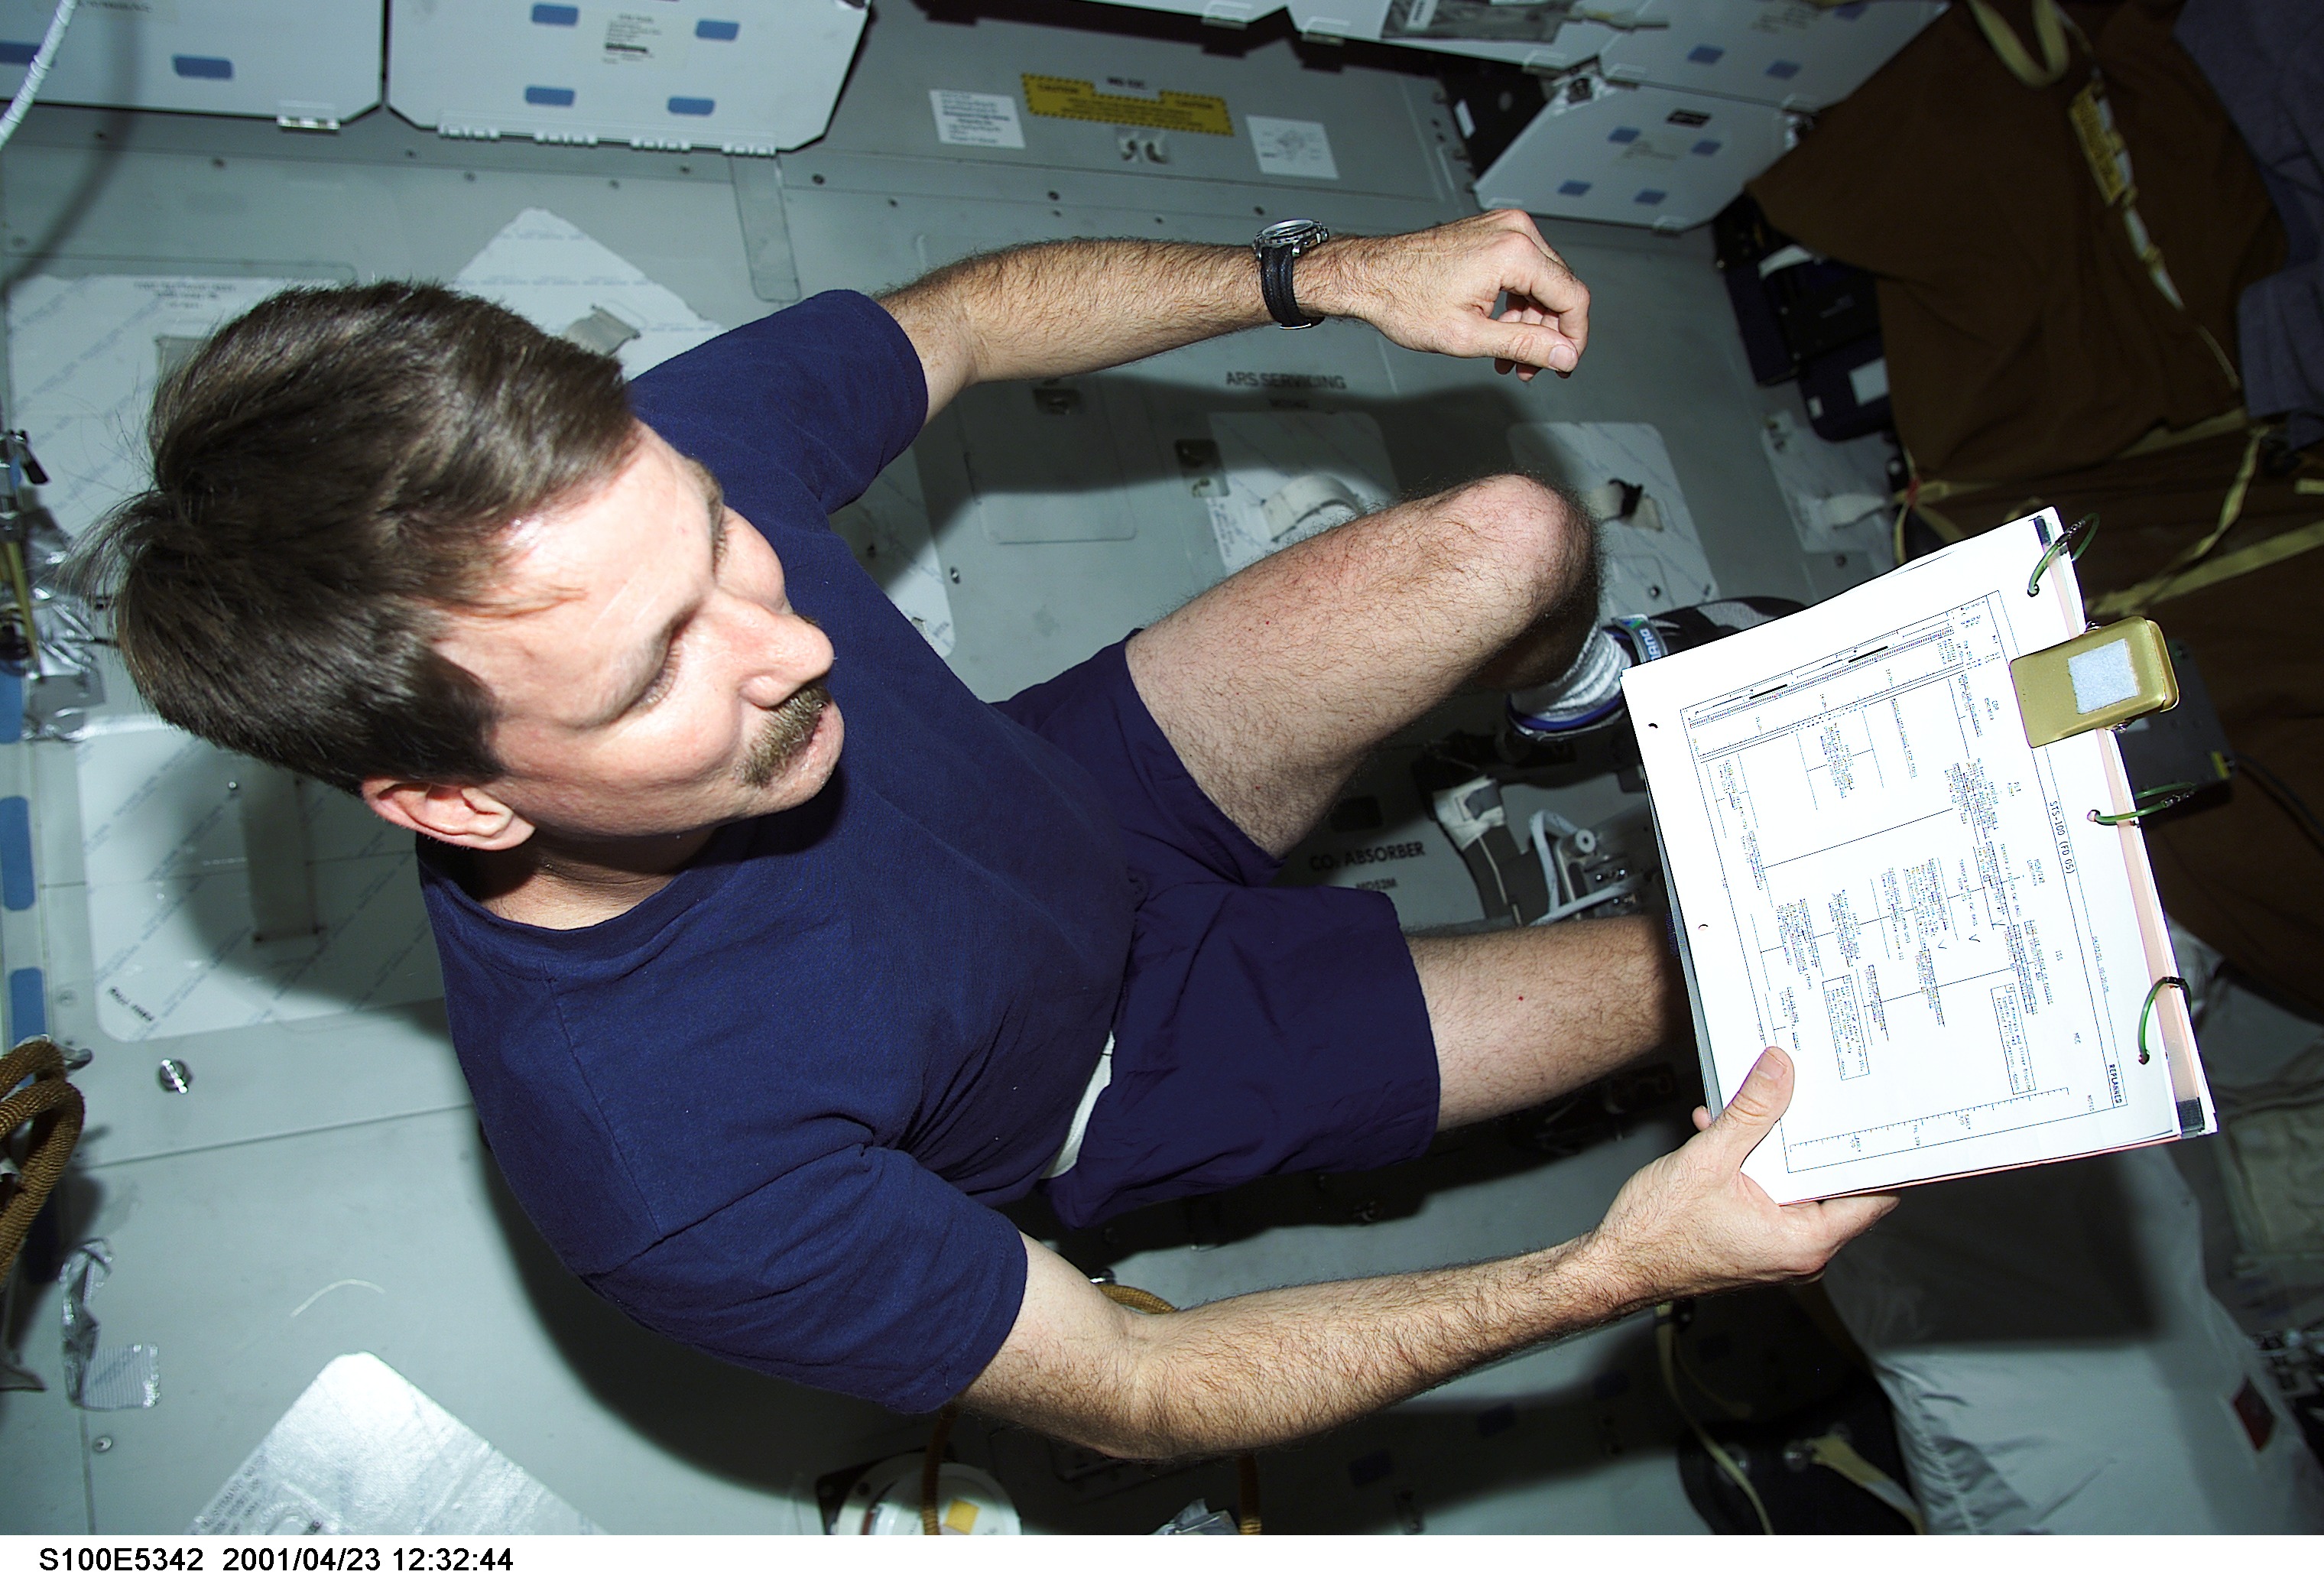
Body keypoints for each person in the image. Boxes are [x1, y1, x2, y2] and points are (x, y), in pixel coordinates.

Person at [83, 210, 1893, 1458]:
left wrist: (1331, 272)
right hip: (1131, 1067)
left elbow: (953, 326)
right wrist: (1616, 1268)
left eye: (721, 531)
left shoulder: (617, 481)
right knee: (1742, 964)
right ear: (457, 800)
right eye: (655, 678)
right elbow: (1133, 1375)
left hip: (1066, 797)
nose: (794, 639)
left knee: (1514, 535)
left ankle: (1566, 692)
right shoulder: (658, 1170)